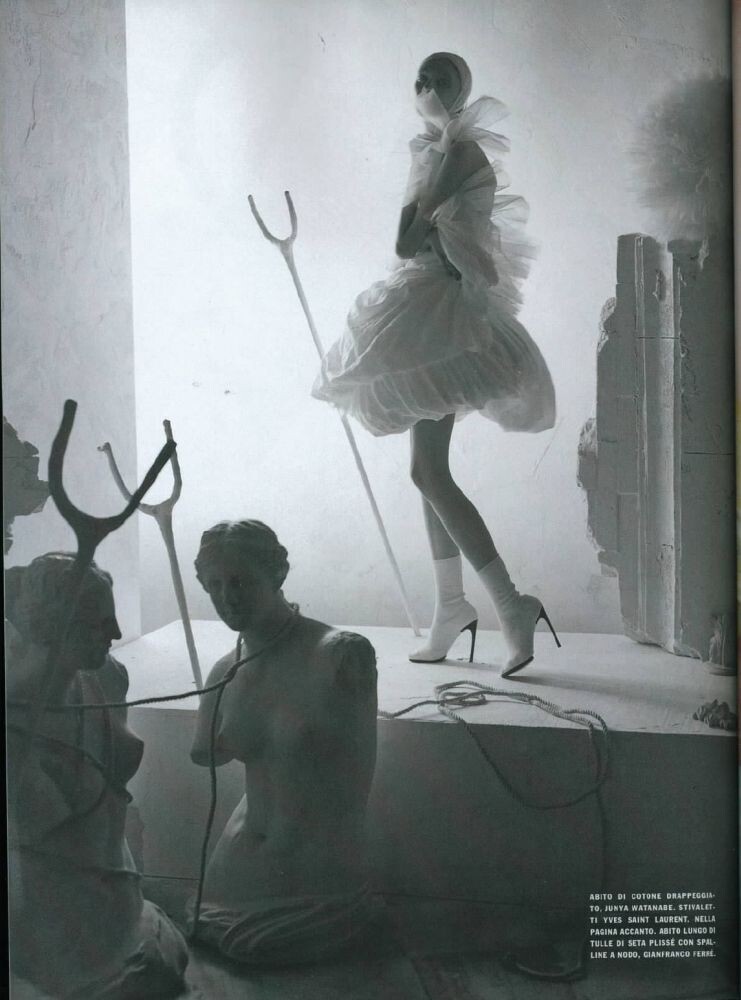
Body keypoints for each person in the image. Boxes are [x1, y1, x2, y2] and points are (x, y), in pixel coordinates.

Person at [313, 52, 559, 678]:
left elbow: (413, 236)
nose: (427, 86)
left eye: (441, 79)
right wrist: (422, 214)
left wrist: (423, 215)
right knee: (426, 470)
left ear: (463, 90)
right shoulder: (428, 151)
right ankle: (452, 605)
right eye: (420, 78)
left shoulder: (461, 151)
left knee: (428, 471)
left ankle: (511, 604)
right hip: (425, 302)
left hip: (446, 316)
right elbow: (407, 241)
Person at [189, 520, 378, 966]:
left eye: (239, 581)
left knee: (259, 947)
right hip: (234, 868)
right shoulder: (225, 670)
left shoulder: (338, 655)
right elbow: (204, 754)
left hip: (313, 874)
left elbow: (357, 784)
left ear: (277, 573)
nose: (226, 597)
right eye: (214, 585)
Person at [6, 552, 188, 999]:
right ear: (50, 625)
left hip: (123, 905)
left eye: (113, 617)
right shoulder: (12, 726)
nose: (118, 633)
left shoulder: (106, 678)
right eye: (98, 622)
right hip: (53, 934)